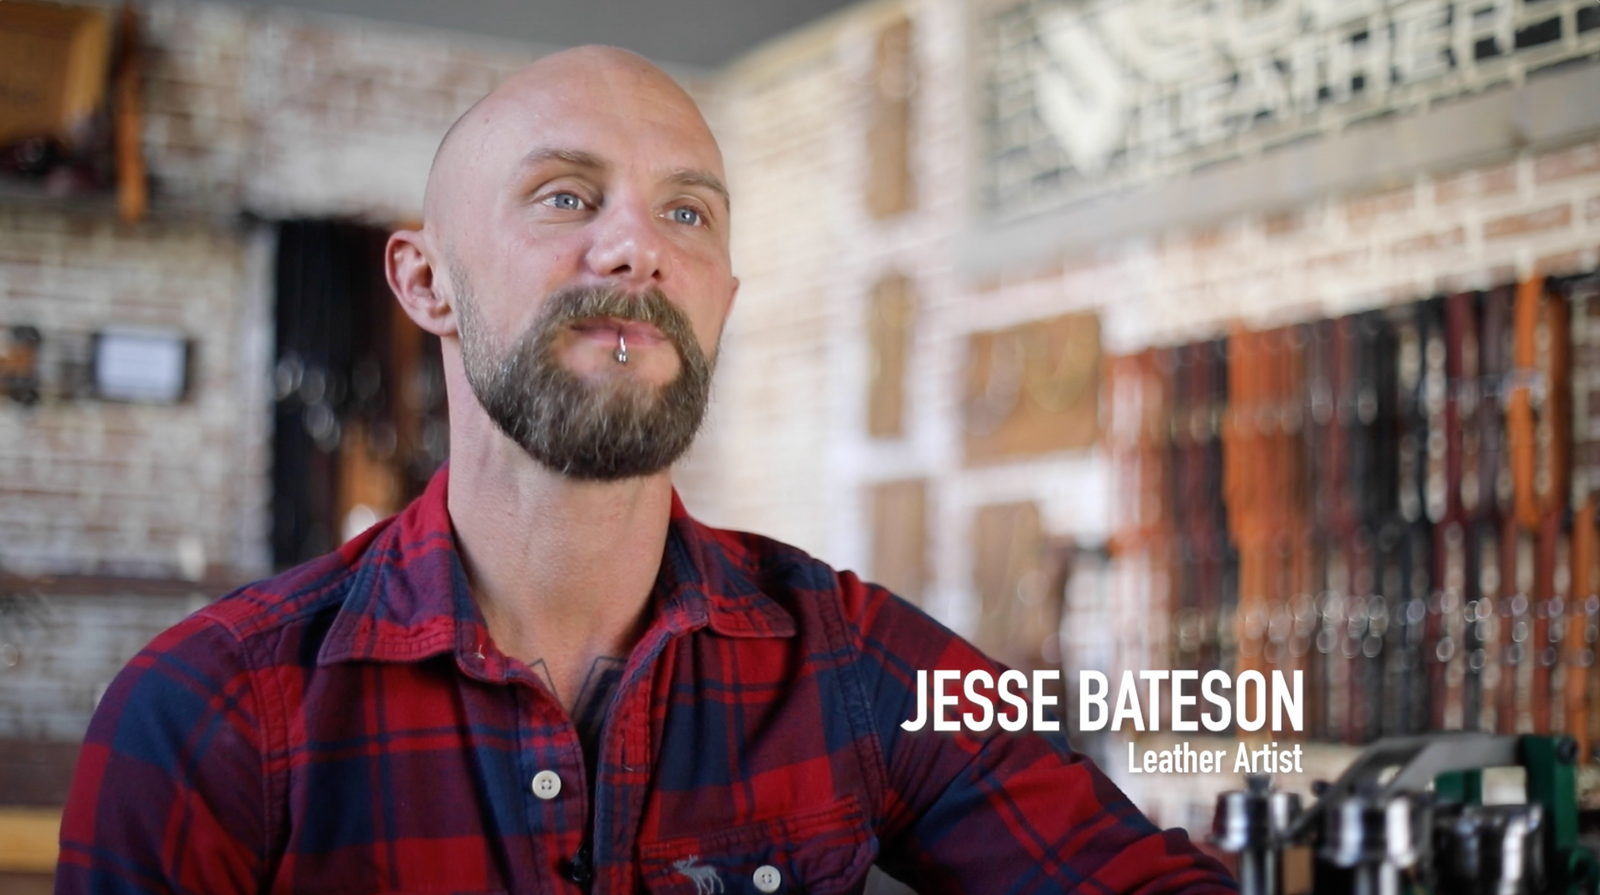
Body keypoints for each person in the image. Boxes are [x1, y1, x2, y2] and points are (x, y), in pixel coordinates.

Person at [56, 46, 1236, 895]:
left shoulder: (855, 660)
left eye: (688, 214)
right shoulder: (205, 713)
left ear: (722, 297)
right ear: (425, 284)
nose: (637, 247)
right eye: (566, 197)